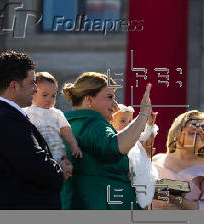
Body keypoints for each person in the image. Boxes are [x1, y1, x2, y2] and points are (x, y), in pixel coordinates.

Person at [0, 51, 72, 209]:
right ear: (13, 86)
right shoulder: (8, 119)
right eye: (32, 83)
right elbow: (37, 167)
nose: (35, 89)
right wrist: (60, 169)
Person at [60, 72, 152, 210]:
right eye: (109, 97)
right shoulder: (92, 122)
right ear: (88, 100)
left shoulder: (66, 123)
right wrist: (143, 114)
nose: (115, 105)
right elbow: (114, 146)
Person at [152, 110, 204, 210]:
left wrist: (174, 199)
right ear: (178, 131)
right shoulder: (155, 160)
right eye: (194, 124)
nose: (200, 129)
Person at [24, 72, 82, 162]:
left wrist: (73, 145)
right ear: (32, 93)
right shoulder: (26, 111)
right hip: (37, 153)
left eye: (53, 96)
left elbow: (65, 129)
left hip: (57, 154)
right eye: (45, 95)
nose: (49, 99)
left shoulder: (56, 113)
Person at [111, 104, 159, 208]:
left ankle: (143, 203)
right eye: (123, 121)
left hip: (138, 167)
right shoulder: (114, 137)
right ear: (111, 122)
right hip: (125, 171)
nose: (127, 124)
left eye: (130, 122)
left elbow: (145, 136)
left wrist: (150, 124)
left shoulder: (134, 135)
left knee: (143, 186)